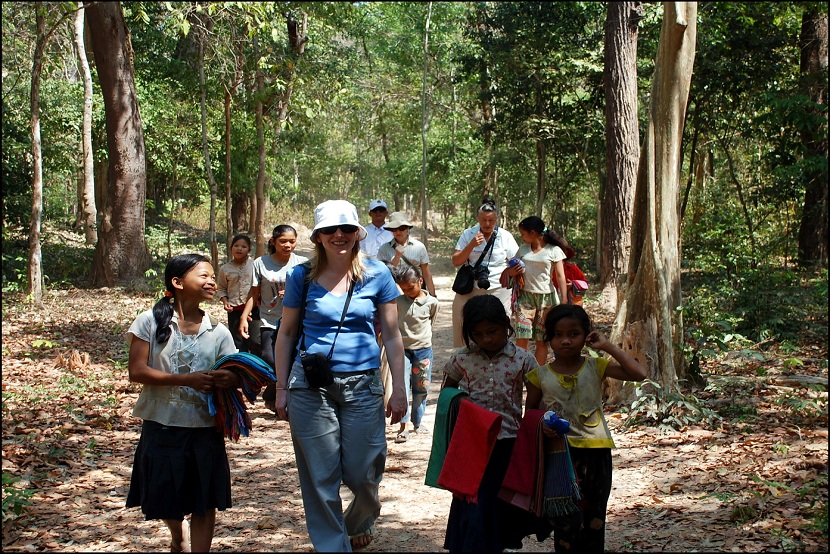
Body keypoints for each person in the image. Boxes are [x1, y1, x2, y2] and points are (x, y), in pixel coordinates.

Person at [273, 199, 408, 552]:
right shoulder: (301, 275)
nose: (339, 235)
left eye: (346, 229)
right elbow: (286, 334)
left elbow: (392, 335)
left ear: (357, 233)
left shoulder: (378, 274)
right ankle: (334, 546)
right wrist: (281, 388)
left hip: (363, 382)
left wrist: (400, 389)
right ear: (318, 236)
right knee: (320, 475)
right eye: (330, 230)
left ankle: (359, 518)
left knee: (366, 469)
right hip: (310, 384)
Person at [125, 254, 240, 553]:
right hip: (161, 424)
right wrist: (185, 379)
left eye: (213, 276)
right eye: (203, 275)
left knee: (205, 499)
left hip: (205, 426)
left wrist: (229, 379)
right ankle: (178, 535)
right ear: (177, 283)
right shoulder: (149, 322)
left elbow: (232, 372)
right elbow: (137, 371)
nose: (212, 281)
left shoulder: (218, 331)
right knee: (165, 495)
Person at [525, 304, 648, 553]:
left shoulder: (596, 366)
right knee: (565, 521)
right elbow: (532, 416)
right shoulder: (540, 376)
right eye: (558, 335)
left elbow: (639, 373)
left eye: (574, 334)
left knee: (595, 518)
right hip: (560, 455)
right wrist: (542, 427)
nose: (566, 341)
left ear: (586, 336)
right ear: (548, 339)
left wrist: (607, 346)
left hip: (596, 452)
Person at [441, 294, 551, 552]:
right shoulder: (461, 359)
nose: (486, 339)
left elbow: (537, 395)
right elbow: (448, 392)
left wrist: (536, 429)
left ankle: (496, 544)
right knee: (473, 501)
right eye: (478, 334)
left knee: (500, 503)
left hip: (508, 442)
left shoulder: (523, 359)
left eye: (492, 331)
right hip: (472, 444)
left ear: (506, 325)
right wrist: (460, 403)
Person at [501, 216, 570, 366]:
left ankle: (538, 373)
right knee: (522, 335)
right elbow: (512, 271)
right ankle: (521, 370)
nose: (522, 237)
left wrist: (564, 299)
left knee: (541, 339)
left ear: (532, 233)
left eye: (523, 234)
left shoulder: (554, 251)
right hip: (525, 297)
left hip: (547, 300)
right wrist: (512, 272)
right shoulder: (523, 250)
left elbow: (560, 276)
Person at [451, 198, 519, 347]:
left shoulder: (505, 236)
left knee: (500, 323)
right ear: (478, 218)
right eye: (483, 220)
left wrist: (512, 271)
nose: (487, 224)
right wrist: (471, 245)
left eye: (491, 220)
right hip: (471, 287)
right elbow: (456, 261)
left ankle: (501, 354)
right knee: (461, 319)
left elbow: (516, 261)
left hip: (498, 287)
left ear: (497, 219)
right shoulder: (469, 234)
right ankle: (464, 356)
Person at [239, 225, 308, 370]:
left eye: (292, 241)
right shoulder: (260, 263)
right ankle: (277, 389)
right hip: (269, 320)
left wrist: (294, 294)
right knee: (269, 358)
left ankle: (282, 391)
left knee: (291, 359)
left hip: (295, 320)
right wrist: (244, 317)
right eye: (283, 241)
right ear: (273, 241)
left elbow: (311, 291)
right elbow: (254, 292)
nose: (288, 245)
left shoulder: (303, 263)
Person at [388, 263, 438, 443]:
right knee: (401, 386)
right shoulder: (398, 302)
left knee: (421, 387)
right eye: (404, 289)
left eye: (411, 287)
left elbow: (431, 320)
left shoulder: (432, 302)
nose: (408, 291)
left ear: (420, 281)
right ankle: (404, 426)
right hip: (402, 351)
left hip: (423, 351)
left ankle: (418, 422)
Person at [216, 234, 260, 356]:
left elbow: (260, 286)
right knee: (239, 343)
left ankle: (257, 369)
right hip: (234, 310)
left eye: (243, 246)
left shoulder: (255, 265)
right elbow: (221, 289)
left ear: (249, 249)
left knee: (256, 341)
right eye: (236, 246)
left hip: (254, 309)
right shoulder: (225, 269)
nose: (239, 249)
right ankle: (241, 369)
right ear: (231, 248)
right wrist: (225, 302)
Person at [377, 211, 437, 297]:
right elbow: (383, 273)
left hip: (415, 291)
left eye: (402, 228)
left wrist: (433, 295)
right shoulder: (384, 249)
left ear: (408, 228)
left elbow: (426, 273)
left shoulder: (419, 247)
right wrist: (397, 257)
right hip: (393, 292)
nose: (398, 232)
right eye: (394, 229)